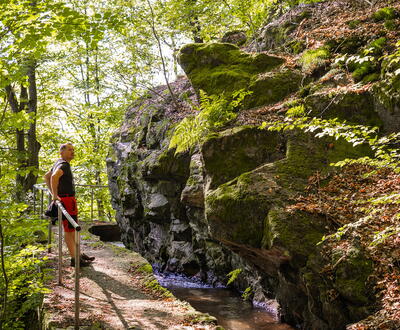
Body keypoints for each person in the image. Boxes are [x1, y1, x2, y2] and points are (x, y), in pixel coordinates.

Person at [44, 142, 95, 267]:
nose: (72, 152)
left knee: (73, 229)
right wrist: (55, 195)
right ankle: (74, 259)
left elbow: (46, 176)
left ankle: (78, 254)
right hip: (66, 200)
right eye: (69, 150)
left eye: (73, 150)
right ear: (62, 152)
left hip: (68, 200)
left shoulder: (58, 162)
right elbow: (53, 177)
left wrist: (52, 193)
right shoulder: (63, 165)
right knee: (69, 230)